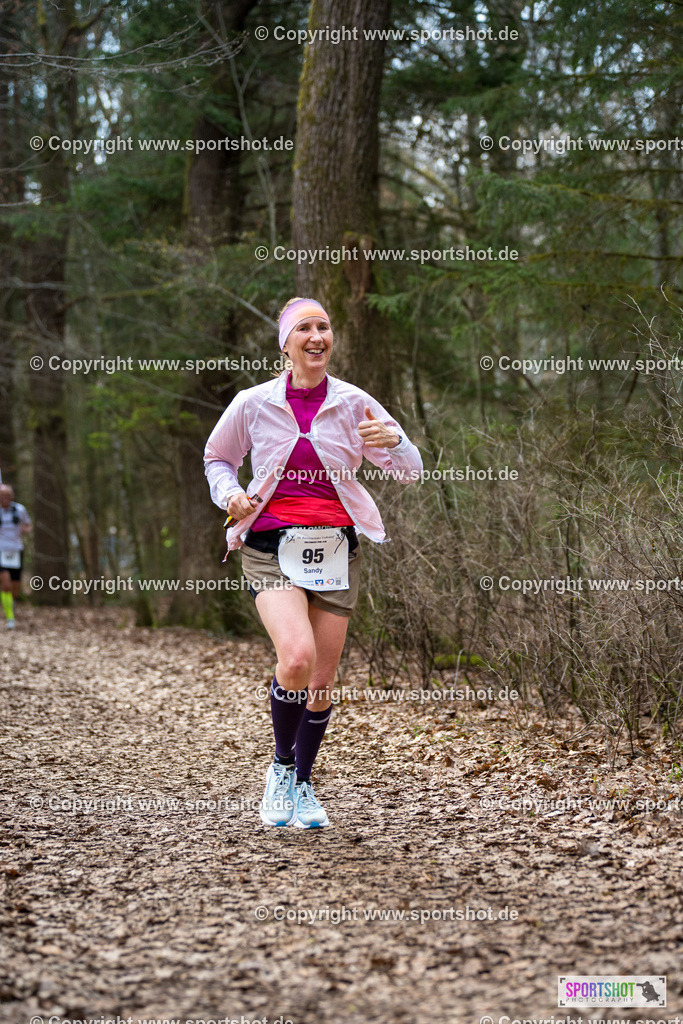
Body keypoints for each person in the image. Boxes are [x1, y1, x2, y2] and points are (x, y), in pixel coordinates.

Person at [204, 298, 422, 828]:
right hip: (269, 545)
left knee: (321, 680)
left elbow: (408, 471)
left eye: (324, 326)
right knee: (297, 658)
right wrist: (229, 494)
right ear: (285, 343)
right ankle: (280, 771)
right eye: (304, 327)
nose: (317, 335)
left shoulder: (353, 403)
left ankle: (303, 785)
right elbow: (217, 458)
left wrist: (398, 440)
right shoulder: (253, 403)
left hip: (335, 548)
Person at [0, 484, 32, 630]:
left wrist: (25, 529)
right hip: (1, 551)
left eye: (7, 495)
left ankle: (10, 606)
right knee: (5, 584)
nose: (4, 498)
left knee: (15, 589)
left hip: (16, 551)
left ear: (12, 497)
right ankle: (10, 618)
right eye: (1, 496)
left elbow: (29, 525)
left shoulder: (19, 510)